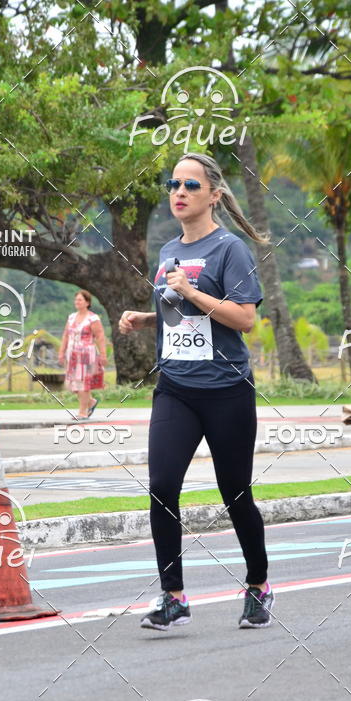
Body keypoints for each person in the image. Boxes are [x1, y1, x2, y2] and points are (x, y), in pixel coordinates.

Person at [118, 151, 272, 631]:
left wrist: (191, 292)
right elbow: (179, 314)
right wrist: (146, 318)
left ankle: (258, 585)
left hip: (226, 389)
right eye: (173, 184)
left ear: (214, 195)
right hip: (176, 387)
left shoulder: (230, 250)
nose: (179, 193)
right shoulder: (168, 252)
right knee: (162, 488)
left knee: (235, 493)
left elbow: (244, 318)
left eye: (190, 185)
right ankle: (174, 597)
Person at [58, 290, 107, 420]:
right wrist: (61, 352)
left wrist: (103, 355)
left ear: (87, 302)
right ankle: (90, 402)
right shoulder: (71, 317)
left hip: (87, 356)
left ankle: (82, 412)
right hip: (72, 355)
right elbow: (65, 335)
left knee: (83, 384)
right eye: (76, 300)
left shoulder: (93, 318)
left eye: (80, 300)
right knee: (73, 384)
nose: (77, 302)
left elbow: (100, 337)